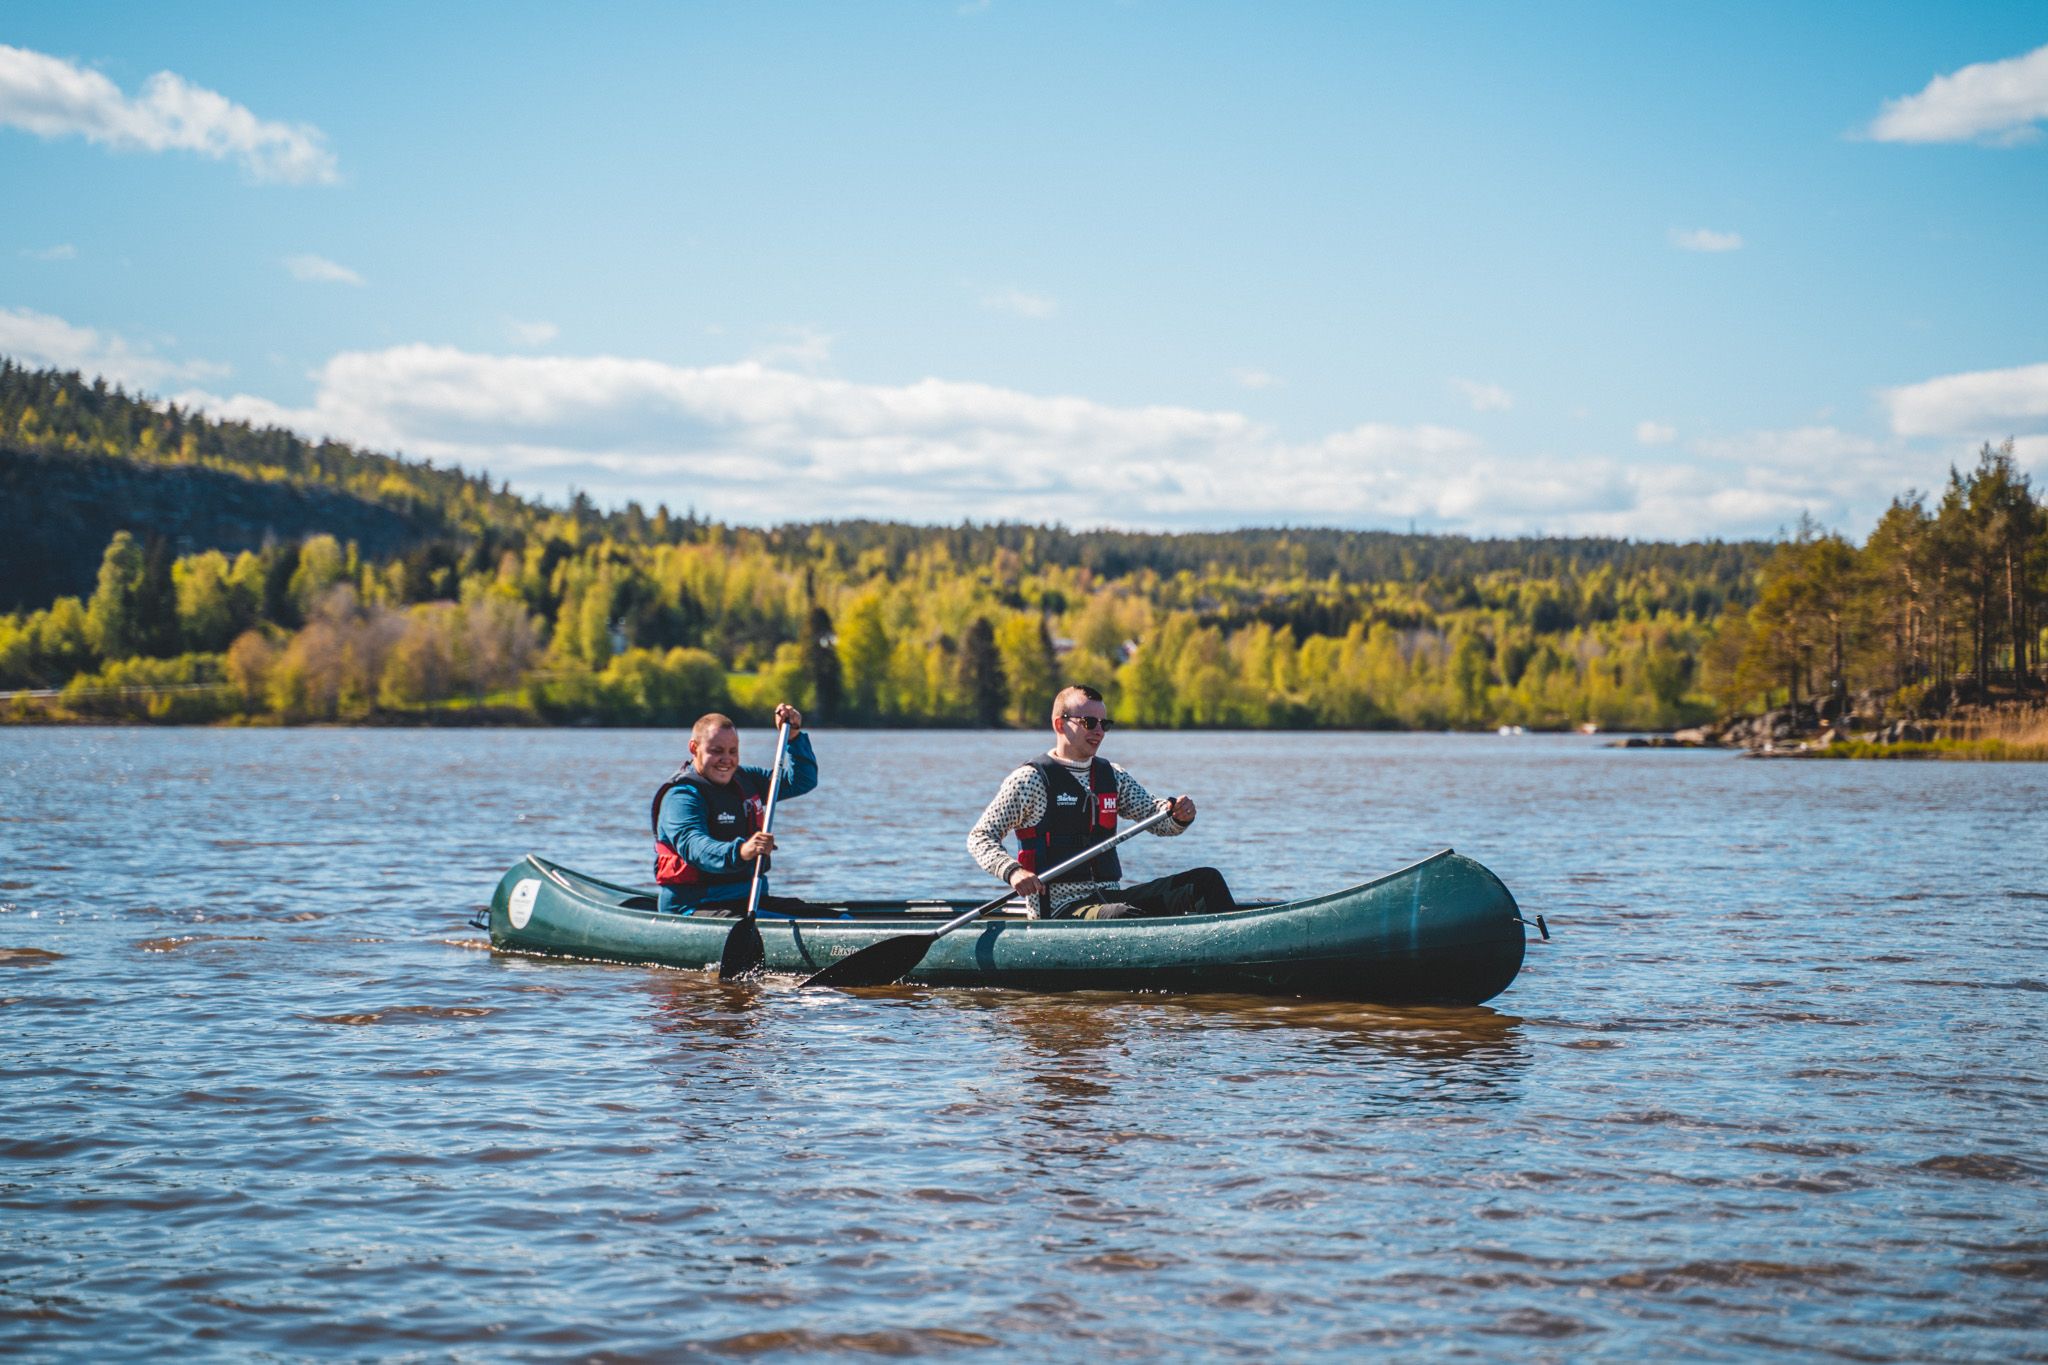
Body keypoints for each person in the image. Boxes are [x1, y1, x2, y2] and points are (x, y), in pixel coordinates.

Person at [967, 684, 1235, 919]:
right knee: (1124, 915)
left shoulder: (1112, 776)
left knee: (1205, 881)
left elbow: (1154, 816)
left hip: (1110, 897)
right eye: (1089, 723)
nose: (1099, 731)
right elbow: (980, 837)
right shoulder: (1030, 780)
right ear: (1060, 724)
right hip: (1060, 909)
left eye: (1104, 724)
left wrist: (1177, 815)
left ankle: (1234, 954)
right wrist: (1012, 871)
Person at [651, 703, 817, 916]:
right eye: (716, 751)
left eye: (733, 751)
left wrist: (793, 737)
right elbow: (695, 847)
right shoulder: (681, 797)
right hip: (695, 906)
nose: (726, 760)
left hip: (750, 898)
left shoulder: (745, 779)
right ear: (694, 748)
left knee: (836, 919)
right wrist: (741, 851)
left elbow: (801, 781)